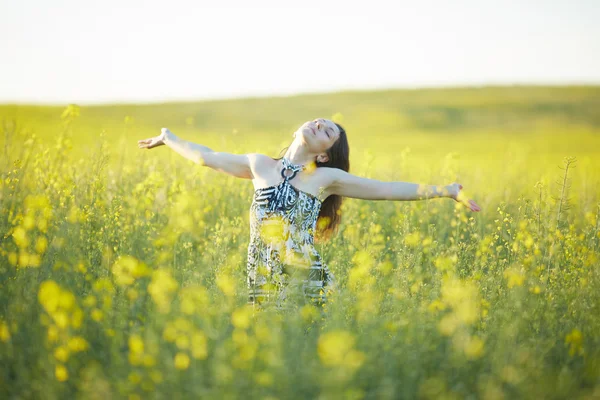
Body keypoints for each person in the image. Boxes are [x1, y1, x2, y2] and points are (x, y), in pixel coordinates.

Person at [138, 118, 481, 310]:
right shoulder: (259, 165)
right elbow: (204, 156)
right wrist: (169, 138)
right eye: (319, 121)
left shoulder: (325, 178)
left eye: (328, 131)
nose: (320, 124)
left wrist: (447, 191)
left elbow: (387, 189)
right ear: (296, 130)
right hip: (262, 273)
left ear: (327, 155)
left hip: (306, 279)